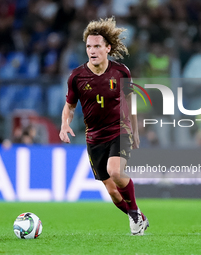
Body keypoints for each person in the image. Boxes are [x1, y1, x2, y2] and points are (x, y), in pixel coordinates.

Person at [59, 17, 149, 235]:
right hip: (94, 137)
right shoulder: (77, 76)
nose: (92, 50)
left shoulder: (121, 72)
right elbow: (69, 106)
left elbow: (130, 103)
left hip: (119, 130)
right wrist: (64, 125)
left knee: (115, 171)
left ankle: (135, 214)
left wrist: (135, 131)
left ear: (107, 48)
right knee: (112, 191)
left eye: (97, 46)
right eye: (89, 46)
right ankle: (138, 217)